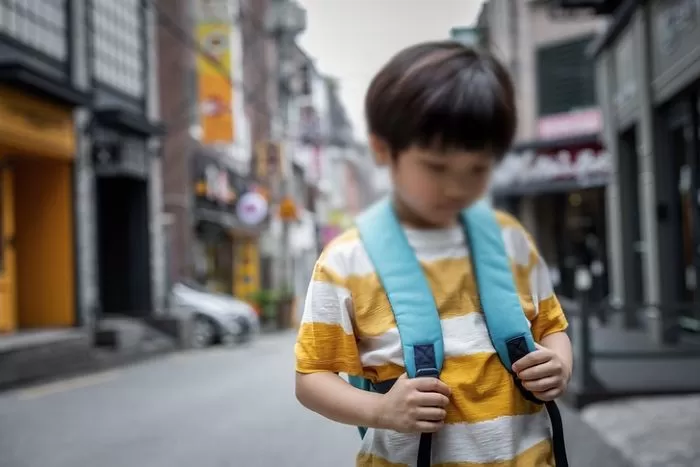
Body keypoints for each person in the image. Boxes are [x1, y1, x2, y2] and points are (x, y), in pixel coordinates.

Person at [294, 41, 572, 467]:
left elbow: (552, 327)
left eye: (476, 169)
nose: (457, 188)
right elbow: (311, 378)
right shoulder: (347, 261)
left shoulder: (511, 241)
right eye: (436, 168)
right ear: (384, 150)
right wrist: (381, 411)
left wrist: (559, 365)